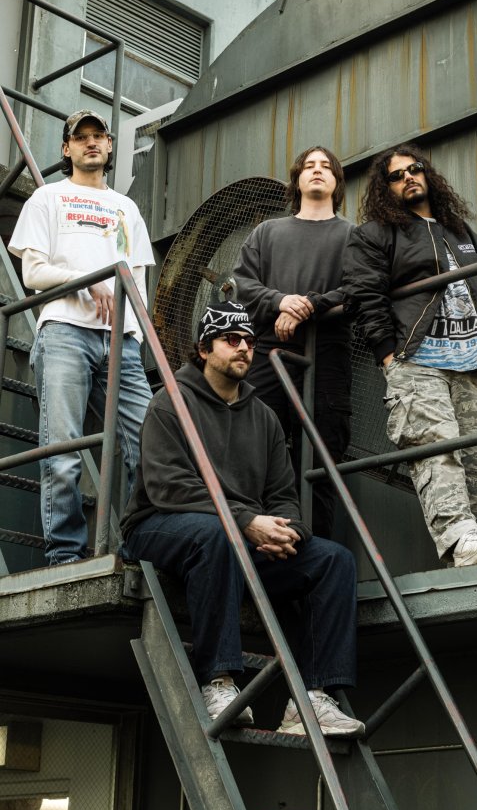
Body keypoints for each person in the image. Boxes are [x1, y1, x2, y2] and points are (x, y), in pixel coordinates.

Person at [121, 300, 364, 736]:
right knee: (216, 535)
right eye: (230, 340)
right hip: (159, 525)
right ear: (203, 349)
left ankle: (311, 702)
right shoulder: (169, 403)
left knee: (333, 560)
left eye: (250, 341)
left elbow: (283, 495)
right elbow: (169, 487)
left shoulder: (264, 417)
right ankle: (217, 681)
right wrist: (246, 522)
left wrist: (288, 532)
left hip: (237, 535)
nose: (244, 348)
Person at [343, 144, 477, 567]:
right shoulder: (376, 234)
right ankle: (459, 538)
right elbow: (365, 295)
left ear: (428, 175)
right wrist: (388, 355)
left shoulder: (464, 233)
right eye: (396, 175)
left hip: (473, 362)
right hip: (417, 359)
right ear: (385, 188)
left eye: (415, 169)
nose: (409, 177)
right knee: (435, 447)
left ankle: (475, 546)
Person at [9, 108, 154, 565]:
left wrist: (136, 335)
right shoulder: (48, 197)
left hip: (122, 341)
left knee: (150, 443)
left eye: (99, 136)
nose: (91, 142)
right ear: (66, 149)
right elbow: (33, 273)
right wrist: (86, 281)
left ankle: (138, 545)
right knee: (64, 449)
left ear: (109, 146)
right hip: (65, 331)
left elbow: (137, 279)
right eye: (81, 137)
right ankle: (65, 554)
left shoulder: (126, 208)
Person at [233, 146, 353, 538]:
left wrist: (307, 307)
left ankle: (314, 550)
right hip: (269, 354)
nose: (317, 171)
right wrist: (280, 301)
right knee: (254, 450)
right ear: (297, 180)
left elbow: (360, 288)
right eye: (309, 166)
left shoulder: (352, 235)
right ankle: (259, 542)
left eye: (326, 167)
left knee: (320, 461)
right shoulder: (267, 232)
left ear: (336, 182)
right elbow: (242, 284)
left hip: (327, 356)